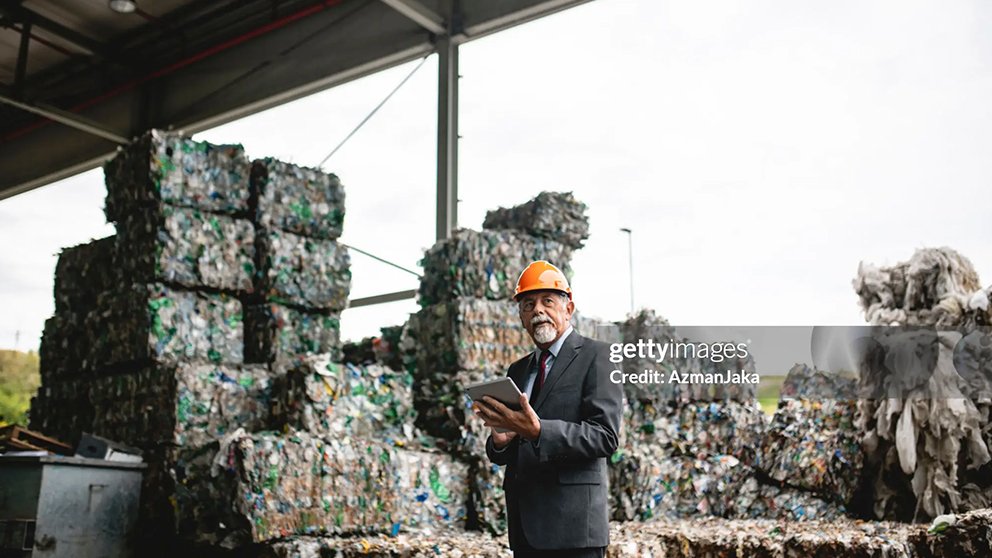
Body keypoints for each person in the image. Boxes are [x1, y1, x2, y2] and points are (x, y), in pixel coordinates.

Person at [472, 260, 623, 557]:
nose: (537, 310)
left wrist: (540, 430)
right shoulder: (517, 370)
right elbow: (509, 447)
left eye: (547, 301)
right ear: (521, 317)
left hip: (574, 530)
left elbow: (605, 436)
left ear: (568, 309)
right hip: (525, 529)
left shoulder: (598, 356)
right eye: (528, 305)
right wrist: (501, 443)